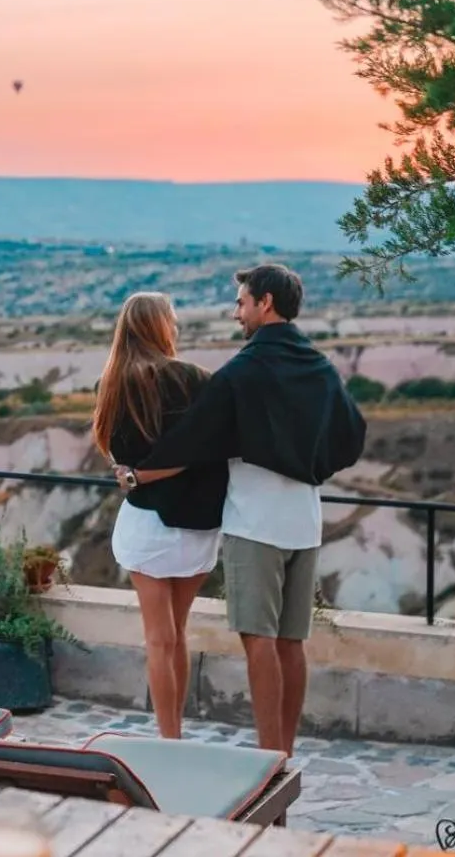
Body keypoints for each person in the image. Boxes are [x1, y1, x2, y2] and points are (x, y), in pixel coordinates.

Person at [113, 265, 366, 757]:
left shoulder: (242, 373)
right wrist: (312, 464)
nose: (237, 314)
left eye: (242, 303)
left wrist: (137, 476)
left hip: (255, 521)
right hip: (305, 519)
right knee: (292, 643)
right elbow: (351, 435)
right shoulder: (318, 366)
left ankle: (268, 760)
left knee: (260, 642)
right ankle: (286, 755)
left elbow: (190, 442)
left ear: (265, 303)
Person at [91, 292, 228, 739]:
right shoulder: (196, 379)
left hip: (147, 524)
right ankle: (177, 732)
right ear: (160, 326)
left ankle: (169, 738)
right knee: (178, 634)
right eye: (172, 319)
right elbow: (211, 446)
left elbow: (122, 460)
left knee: (158, 638)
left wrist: (137, 477)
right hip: (196, 523)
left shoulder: (111, 384)